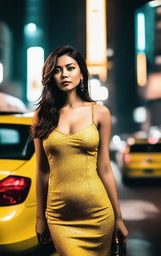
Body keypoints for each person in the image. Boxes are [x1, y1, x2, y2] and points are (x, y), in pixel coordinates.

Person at [30, 45, 128, 256]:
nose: (64, 74)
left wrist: (119, 218)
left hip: (99, 215)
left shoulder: (100, 113)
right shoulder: (42, 115)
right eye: (57, 70)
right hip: (60, 218)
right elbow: (42, 171)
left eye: (70, 68)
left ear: (81, 72)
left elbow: (105, 169)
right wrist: (40, 218)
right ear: (50, 76)